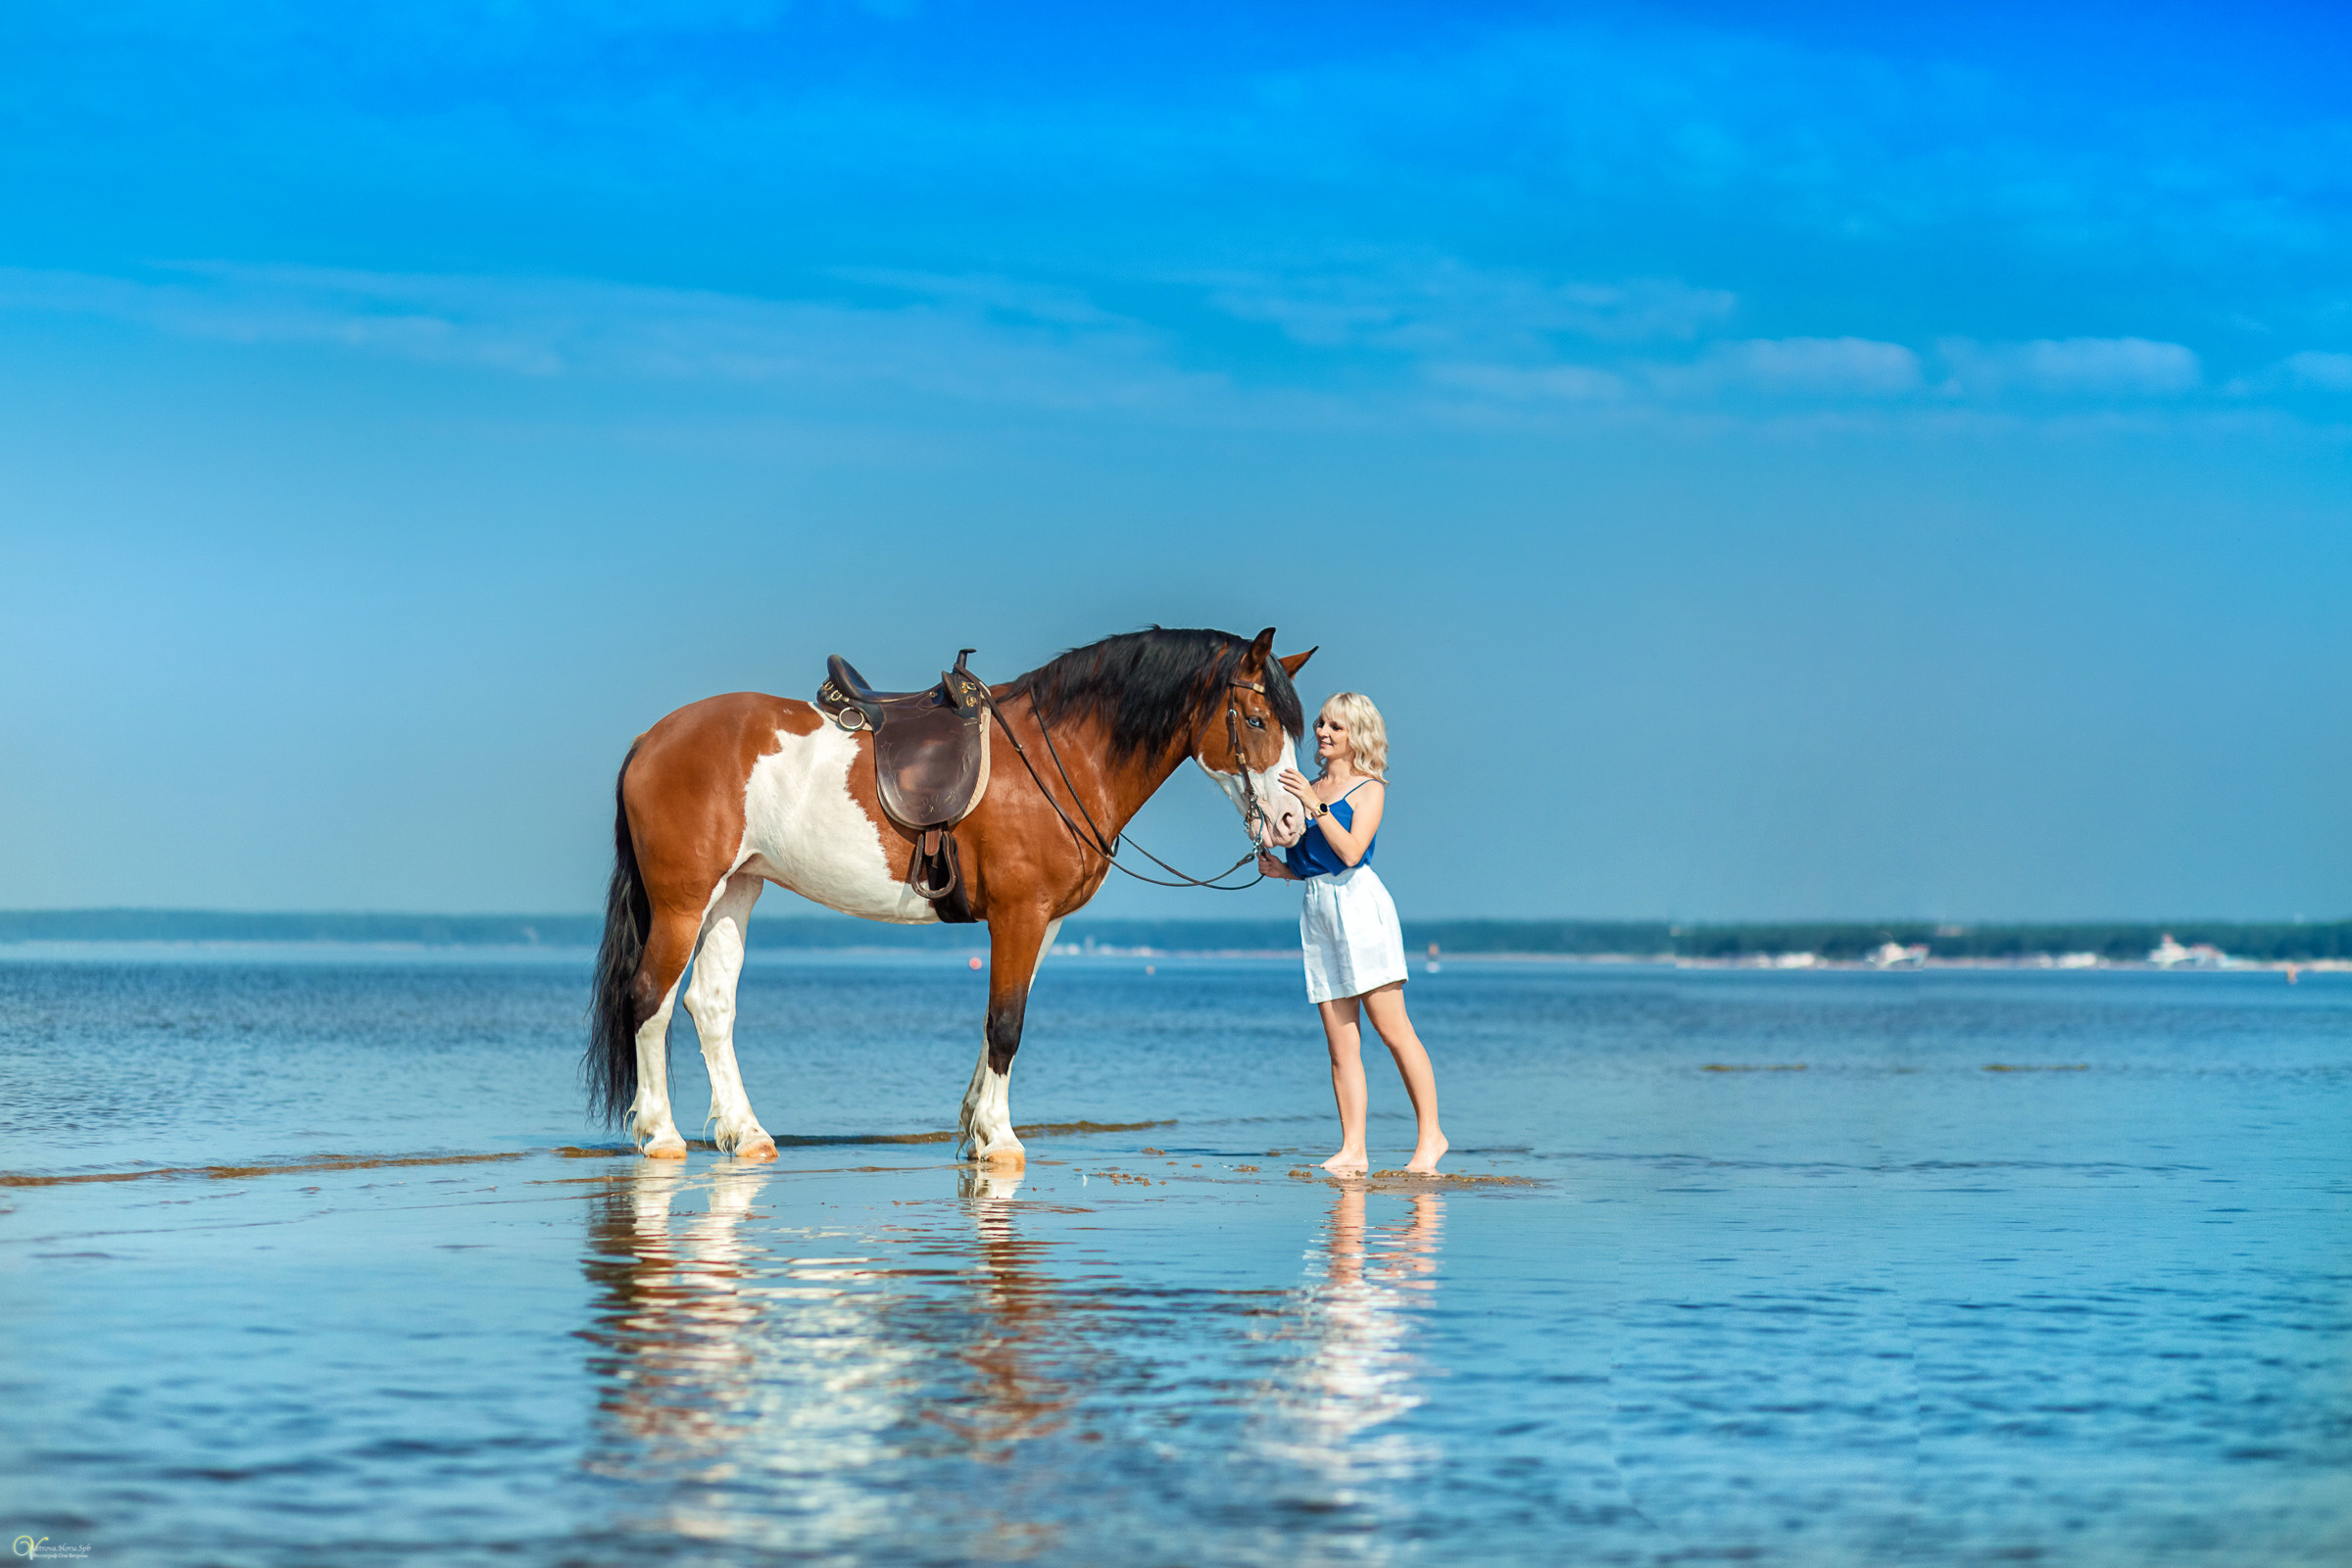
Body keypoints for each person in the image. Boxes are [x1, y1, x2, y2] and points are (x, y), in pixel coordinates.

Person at [1256, 692, 1447, 1175]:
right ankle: (1353, 1150)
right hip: (1317, 907)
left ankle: (1431, 1137)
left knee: (1393, 1030)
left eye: (1335, 726)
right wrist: (1283, 869)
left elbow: (1350, 852)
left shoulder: (1369, 788)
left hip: (1360, 907)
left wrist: (1314, 804)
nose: (1322, 732)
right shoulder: (1307, 785)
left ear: (1356, 735)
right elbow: (1315, 860)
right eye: (1322, 723)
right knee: (1340, 1044)